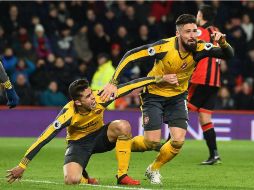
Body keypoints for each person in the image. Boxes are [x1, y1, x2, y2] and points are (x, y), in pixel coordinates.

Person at [100, 14, 234, 184]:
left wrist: (222, 42)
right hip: (154, 95)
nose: (193, 35)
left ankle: (153, 169)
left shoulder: (200, 48)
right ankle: (123, 145)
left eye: (195, 31)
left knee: (177, 141)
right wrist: (113, 82)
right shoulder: (163, 47)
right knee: (151, 142)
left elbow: (228, 54)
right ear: (178, 34)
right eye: (188, 32)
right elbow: (131, 55)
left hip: (178, 97)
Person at [6, 75, 172, 185]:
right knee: (71, 180)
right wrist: (22, 165)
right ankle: (85, 179)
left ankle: (122, 175)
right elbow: (44, 138)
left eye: (91, 93)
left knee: (123, 125)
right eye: (87, 97)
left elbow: (130, 86)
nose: (92, 97)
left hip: (100, 137)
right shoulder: (68, 114)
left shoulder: (100, 97)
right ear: (77, 102)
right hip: (78, 144)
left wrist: (158, 78)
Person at [188, 5, 222, 165]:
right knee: (204, 117)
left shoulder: (200, 31)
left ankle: (167, 146)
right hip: (214, 82)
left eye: (197, 14)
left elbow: (187, 45)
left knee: (181, 110)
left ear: (201, 15)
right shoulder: (217, 32)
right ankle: (214, 154)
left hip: (201, 80)